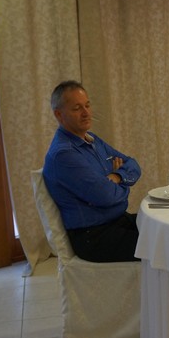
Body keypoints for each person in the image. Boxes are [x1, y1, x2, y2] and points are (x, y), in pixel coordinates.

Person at [42, 80, 141, 263]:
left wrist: (117, 176)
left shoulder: (91, 139)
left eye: (87, 105)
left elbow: (133, 164)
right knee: (164, 245)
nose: (86, 113)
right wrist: (124, 186)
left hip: (117, 221)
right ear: (59, 114)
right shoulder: (64, 154)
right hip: (94, 237)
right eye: (77, 108)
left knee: (165, 229)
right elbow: (106, 196)